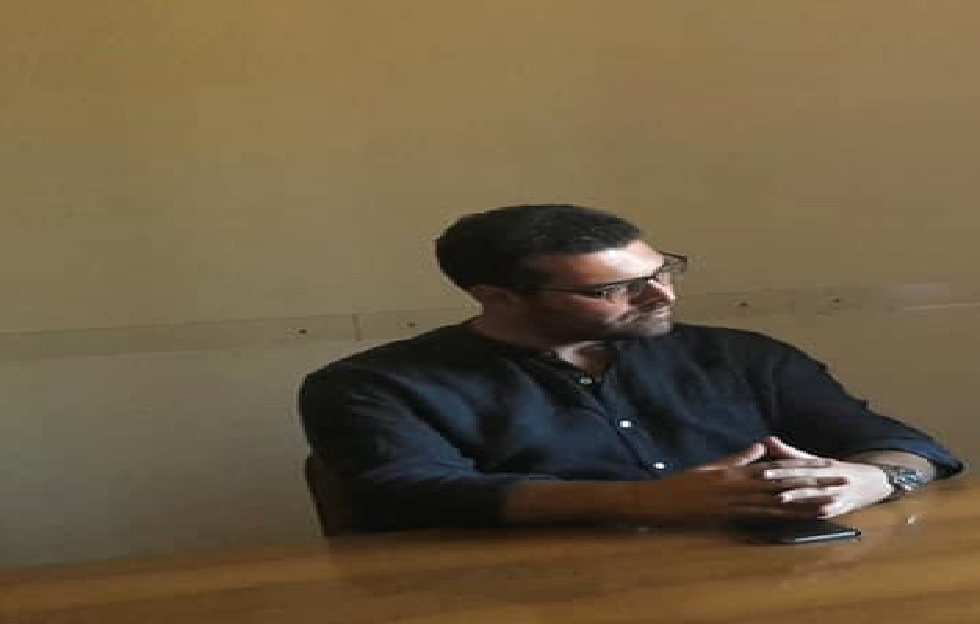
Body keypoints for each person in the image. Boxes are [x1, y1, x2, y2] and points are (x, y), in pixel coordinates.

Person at [299, 204, 962, 531]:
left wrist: (877, 478)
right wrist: (642, 499)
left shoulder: (741, 355)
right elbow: (409, 494)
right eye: (614, 289)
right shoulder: (369, 386)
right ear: (499, 297)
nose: (661, 296)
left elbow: (905, 445)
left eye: (662, 271)